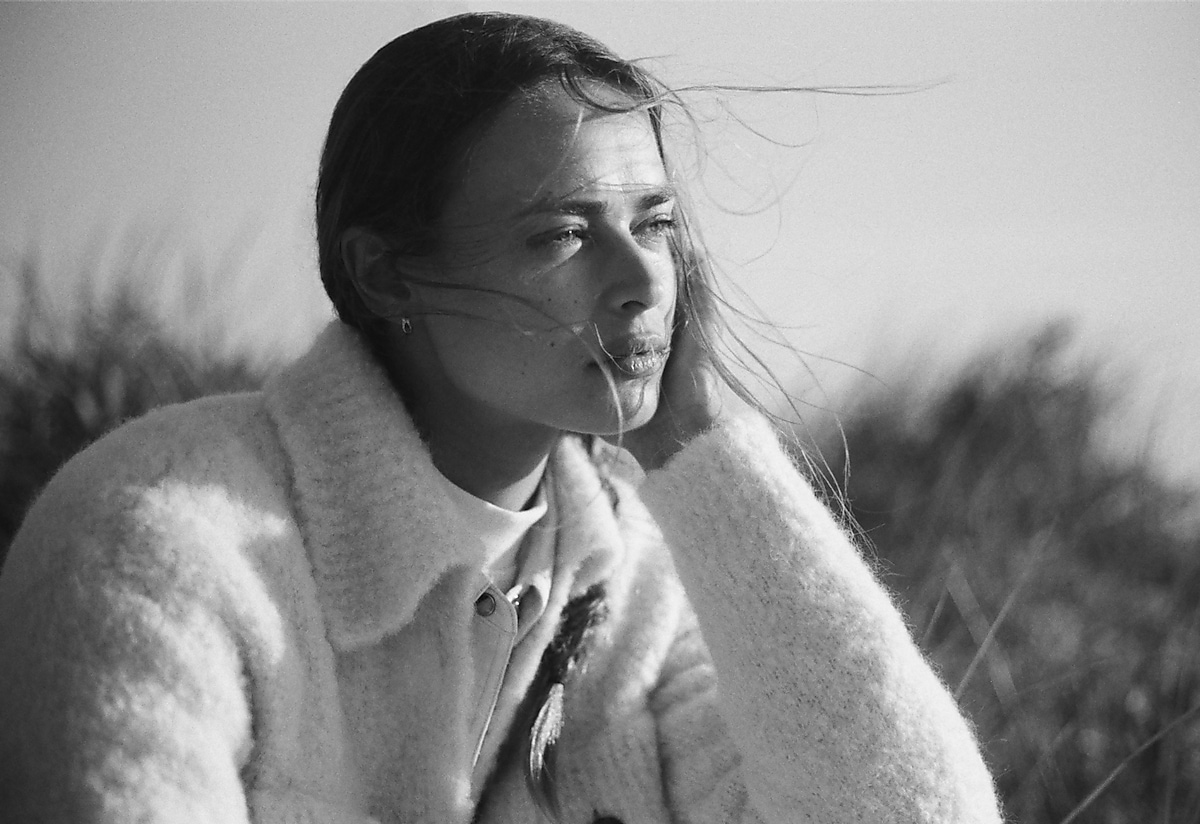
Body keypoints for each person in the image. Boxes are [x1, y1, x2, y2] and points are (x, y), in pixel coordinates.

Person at [0, 12, 1002, 824]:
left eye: (655, 222)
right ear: (385, 269)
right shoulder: (155, 540)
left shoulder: (644, 574)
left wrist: (695, 436)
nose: (643, 279)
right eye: (562, 233)